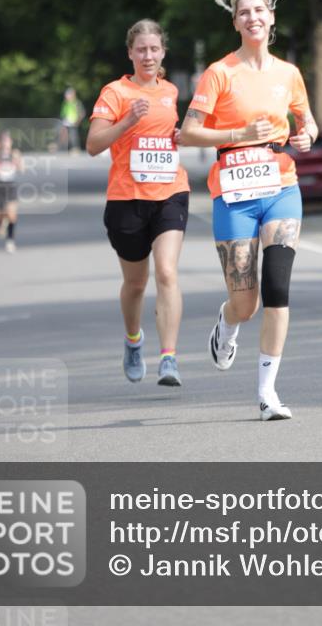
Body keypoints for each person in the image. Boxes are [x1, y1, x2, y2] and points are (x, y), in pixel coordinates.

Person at [180, 0, 318, 421]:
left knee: (278, 289)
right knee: (247, 301)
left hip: (281, 187)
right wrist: (238, 135)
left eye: (260, 11)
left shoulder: (288, 73)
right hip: (235, 193)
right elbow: (187, 131)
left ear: (271, 18)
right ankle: (227, 323)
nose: (253, 18)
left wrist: (306, 135)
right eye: (244, 13)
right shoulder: (220, 73)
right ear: (236, 22)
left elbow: (308, 122)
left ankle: (266, 393)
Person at [86, 20, 190, 388]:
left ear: (163, 52)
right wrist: (128, 120)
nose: (148, 55)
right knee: (135, 283)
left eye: (154, 49)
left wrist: (179, 135)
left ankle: (169, 358)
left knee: (166, 272)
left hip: (170, 192)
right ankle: (133, 340)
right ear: (130, 53)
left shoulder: (171, 90)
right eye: (141, 49)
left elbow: (168, 134)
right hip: (126, 198)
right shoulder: (115, 92)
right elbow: (94, 144)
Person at [0, 131, 24, 253]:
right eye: (3, 141)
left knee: (12, 215)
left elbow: (22, 169)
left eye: (8, 141)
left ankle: (10, 241)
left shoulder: (15, 154)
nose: (5, 143)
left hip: (11, 186)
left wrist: (17, 163)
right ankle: (1, 224)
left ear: (11, 142)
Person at [59, 87, 85, 153]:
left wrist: (78, 121)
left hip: (73, 122)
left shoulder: (76, 103)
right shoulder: (65, 103)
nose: (67, 97)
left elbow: (82, 113)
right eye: (66, 95)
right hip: (66, 122)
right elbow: (63, 113)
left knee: (74, 136)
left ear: (73, 95)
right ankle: (67, 149)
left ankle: (75, 149)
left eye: (68, 95)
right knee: (66, 136)